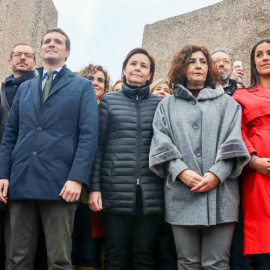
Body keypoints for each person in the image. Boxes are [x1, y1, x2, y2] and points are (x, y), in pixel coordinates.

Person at [0, 28, 99, 270]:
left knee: (58, 259)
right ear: (41, 50)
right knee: (17, 258)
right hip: (21, 180)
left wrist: (76, 178)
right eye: (46, 41)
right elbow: (10, 134)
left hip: (61, 185)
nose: (51, 44)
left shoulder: (83, 86)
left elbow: (89, 136)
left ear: (67, 52)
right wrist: (3, 173)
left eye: (57, 41)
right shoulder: (25, 88)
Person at [149, 45, 250, 270]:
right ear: (181, 67)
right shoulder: (166, 105)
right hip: (181, 193)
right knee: (187, 263)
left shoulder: (228, 104)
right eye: (192, 61)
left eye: (203, 61)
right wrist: (181, 171)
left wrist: (217, 174)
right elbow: (161, 143)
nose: (198, 66)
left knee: (217, 263)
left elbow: (234, 143)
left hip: (222, 195)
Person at [89, 48, 164, 270]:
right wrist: (94, 188)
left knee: (144, 255)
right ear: (124, 69)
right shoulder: (110, 101)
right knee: (115, 255)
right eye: (133, 64)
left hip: (151, 194)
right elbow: (98, 147)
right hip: (114, 191)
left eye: (143, 66)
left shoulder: (160, 104)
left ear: (150, 74)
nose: (137, 69)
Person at [233, 39, 270, 269]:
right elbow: (237, 132)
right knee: (264, 237)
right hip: (258, 174)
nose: (265, 57)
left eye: (269, 52)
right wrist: (253, 160)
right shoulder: (242, 95)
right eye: (259, 54)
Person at [0, 43, 36, 270]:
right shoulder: (2, 91)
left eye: (28, 55)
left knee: (19, 244)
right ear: (9, 61)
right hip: (2, 172)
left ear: (34, 61)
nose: (22, 58)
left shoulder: (41, 90)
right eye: (17, 54)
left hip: (27, 175)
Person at [71, 64, 110, 270]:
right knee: (68, 245)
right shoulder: (71, 107)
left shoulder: (106, 110)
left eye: (100, 80)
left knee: (90, 247)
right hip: (68, 185)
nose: (95, 83)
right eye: (91, 78)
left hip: (94, 189)